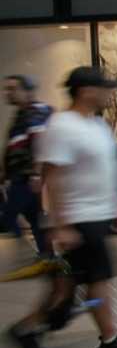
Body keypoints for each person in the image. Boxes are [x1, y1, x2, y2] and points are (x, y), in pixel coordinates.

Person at [7, 67, 117, 348]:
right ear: (87, 91)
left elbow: (103, 170)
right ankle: (110, 337)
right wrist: (59, 225)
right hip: (76, 219)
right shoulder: (62, 126)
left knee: (66, 288)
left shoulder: (96, 125)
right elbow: (51, 178)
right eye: (105, 88)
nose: (110, 93)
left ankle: (26, 329)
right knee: (96, 278)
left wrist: (116, 208)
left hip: (94, 216)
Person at [3, 75, 52, 259]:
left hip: (27, 178)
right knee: (35, 219)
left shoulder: (36, 112)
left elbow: (41, 143)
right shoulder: (22, 114)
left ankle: (29, 255)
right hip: (20, 176)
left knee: (8, 216)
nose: (8, 93)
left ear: (27, 90)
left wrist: (37, 174)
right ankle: (47, 256)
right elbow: (14, 145)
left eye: (12, 89)